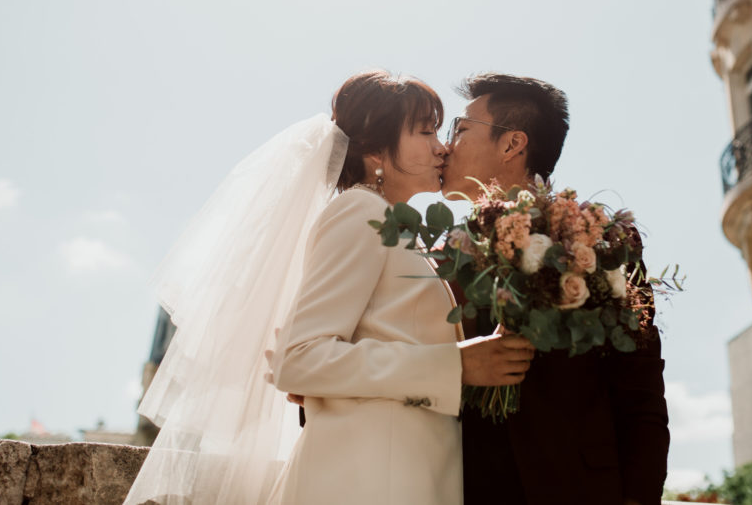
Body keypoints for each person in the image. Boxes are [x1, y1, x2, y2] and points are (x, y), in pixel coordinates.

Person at [124, 70, 534, 505]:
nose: (442, 146)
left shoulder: (394, 228)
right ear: (377, 150)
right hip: (368, 477)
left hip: (402, 471)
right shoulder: (360, 212)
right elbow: (300, 358)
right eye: (426, 131)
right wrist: (455, 365)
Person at [441, 73, 670, 505]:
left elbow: (639, 390)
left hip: (579, 489)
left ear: (512, 144)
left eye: (460, 128)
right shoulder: (435, 257)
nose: (445, 144)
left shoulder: (602, 241)